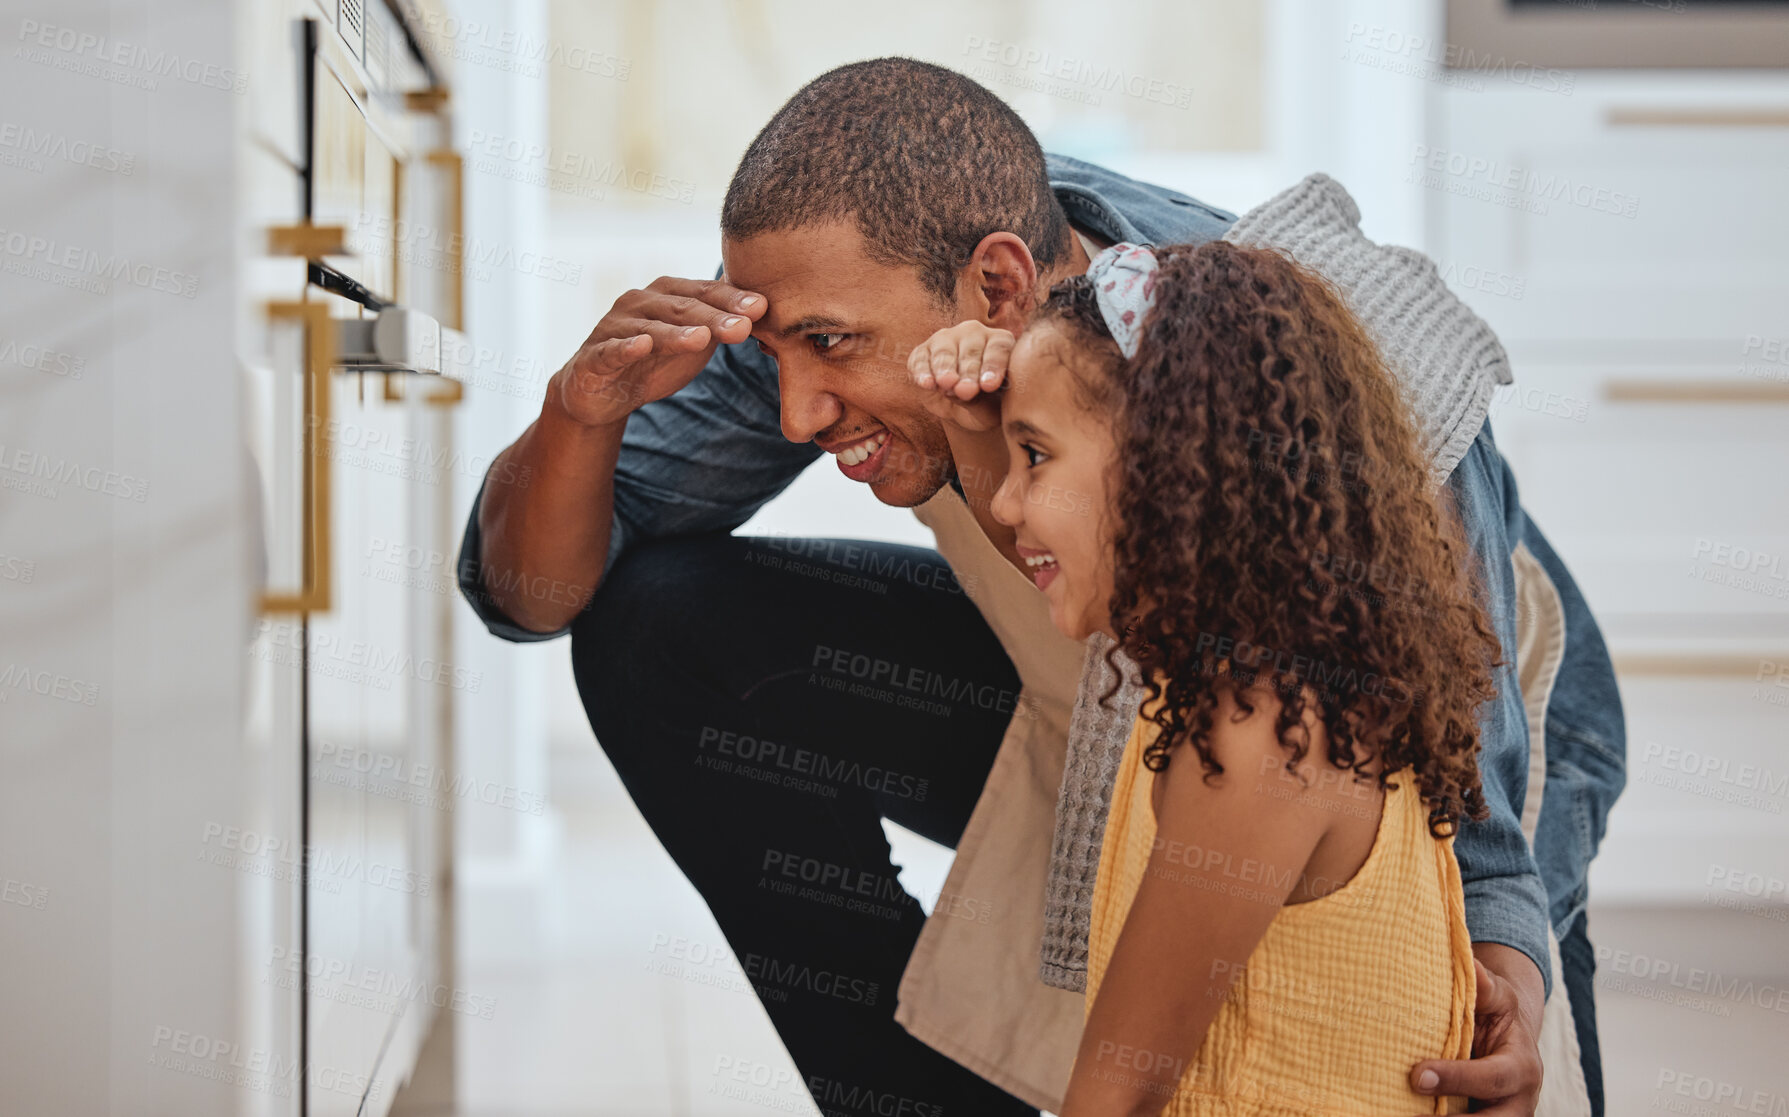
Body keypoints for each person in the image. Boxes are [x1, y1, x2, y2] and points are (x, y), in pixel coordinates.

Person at [458, 57, 1625, 1116]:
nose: (794, 415)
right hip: (1120, 701)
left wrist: (1507, 979)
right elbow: (529, 593)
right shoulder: (819, 284)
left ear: (998, 287)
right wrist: (580, 415)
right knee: (659, 629)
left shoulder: (1333, 373)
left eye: (833, 349)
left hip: (1454, 728)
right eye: (780, 356)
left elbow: (1480, 803)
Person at [908, 239, 1499, 1112]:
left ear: (1170, 467)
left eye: (1034, 456)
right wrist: (980, 419)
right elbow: (1050, 551)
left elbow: (1118, 1095)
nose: (1004, 501)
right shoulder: (1261, 677)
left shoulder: (1255, 733)